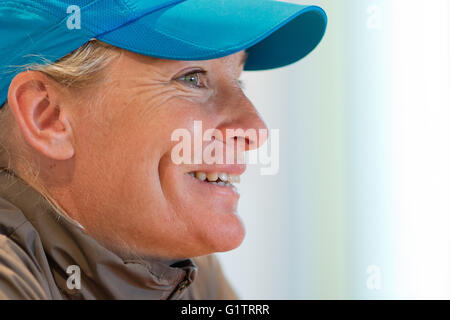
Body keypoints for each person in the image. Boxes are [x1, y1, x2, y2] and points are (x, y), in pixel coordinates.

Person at [0, 0, 326, 299]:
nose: (256, 129)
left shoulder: (180, 266)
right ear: (48, 116)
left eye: (238, 80)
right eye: (192, 78)